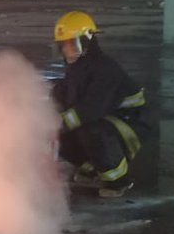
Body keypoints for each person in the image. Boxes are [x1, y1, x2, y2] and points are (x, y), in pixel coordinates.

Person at [51, 11, 149, 198]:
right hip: (104, 118)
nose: (67, 51)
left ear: (87, 41)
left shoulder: (105, 69)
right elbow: (65, 94)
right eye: (63, 46)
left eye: (72, 45)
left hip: (130, 123)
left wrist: (59, 123)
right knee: (62, 129)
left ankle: (119, 180)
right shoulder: (77, 67)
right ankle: (93, 166)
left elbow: (92, 108)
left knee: (89, 130)